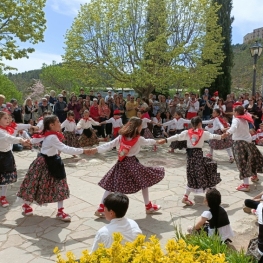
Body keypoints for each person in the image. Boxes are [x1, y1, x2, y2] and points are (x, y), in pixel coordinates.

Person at [87, 117, 165, 217]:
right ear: (137, 127)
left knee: (111, 184)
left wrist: (96, 149)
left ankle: (101, 208)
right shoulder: (138, 139)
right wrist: (158, 141)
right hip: (132, 163)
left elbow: (109, 145)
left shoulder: (121, 137)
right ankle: (148, 206)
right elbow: (148, 141)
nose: (141, 128)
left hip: (121, 163)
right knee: (144, 182)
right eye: (141, 126)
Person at [16, 115, 90, 220]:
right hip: (46, 163)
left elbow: (34, 140)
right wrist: (83, 151)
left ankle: (59, 211)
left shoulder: (49, 134)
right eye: (58, 122)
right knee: (40, 184)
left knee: (55, 185)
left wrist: (27, 141)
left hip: (52, 161)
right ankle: (28, 205)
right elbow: (65, 148)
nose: (60, 124)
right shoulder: (52, 137)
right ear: (51, 125)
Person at [158, 116, 226, 206]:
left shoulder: (187, 132)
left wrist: (166, 140)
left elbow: (177, 137)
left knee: (193, 175)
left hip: (190, 157)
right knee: (207, 172)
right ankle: (208, 197)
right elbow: (213, 136)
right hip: (197, 156)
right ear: (199, 124)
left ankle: (186, 197)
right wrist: (222, 136)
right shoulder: (203, 133)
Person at [224, 105, 263, 190]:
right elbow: (237, 128)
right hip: (248, 143)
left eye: (234, 111)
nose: (233, 112)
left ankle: (246, 185)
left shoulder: (236, 119)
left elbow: (234, 127)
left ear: (237, 112)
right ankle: (254, 176)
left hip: (239, 144)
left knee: (242, 163)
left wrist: (227, 133)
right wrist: (229, 129)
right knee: (251, 160)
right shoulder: (244, 119)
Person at [0, 111, 31, 207]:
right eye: (5, 118)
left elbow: (19, 127)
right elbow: (9, 138)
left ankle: (2, 197)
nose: (8, 120)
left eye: (8, 118)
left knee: (6, 178)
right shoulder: (1, 131)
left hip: (8, 155)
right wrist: (21, 140)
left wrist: (30, 127)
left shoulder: (9, 129)